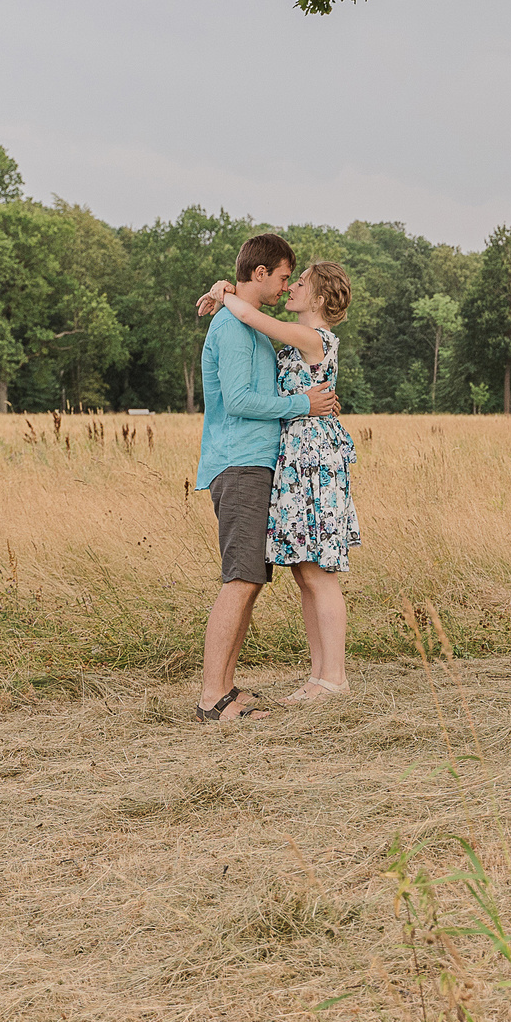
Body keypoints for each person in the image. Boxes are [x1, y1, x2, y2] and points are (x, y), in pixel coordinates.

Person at [192, 233, 339, 724]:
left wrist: (225, 293)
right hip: (239, 464)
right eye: (280, 277)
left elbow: (263, 321)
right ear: (259, 274)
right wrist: (304, 404)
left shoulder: (248, 324)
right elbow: (237, 401)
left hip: (259, 464)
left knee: (250, 579)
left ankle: (225, 689)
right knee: (240, 579)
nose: (283, 287)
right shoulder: (233, 329)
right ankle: (213, 699)